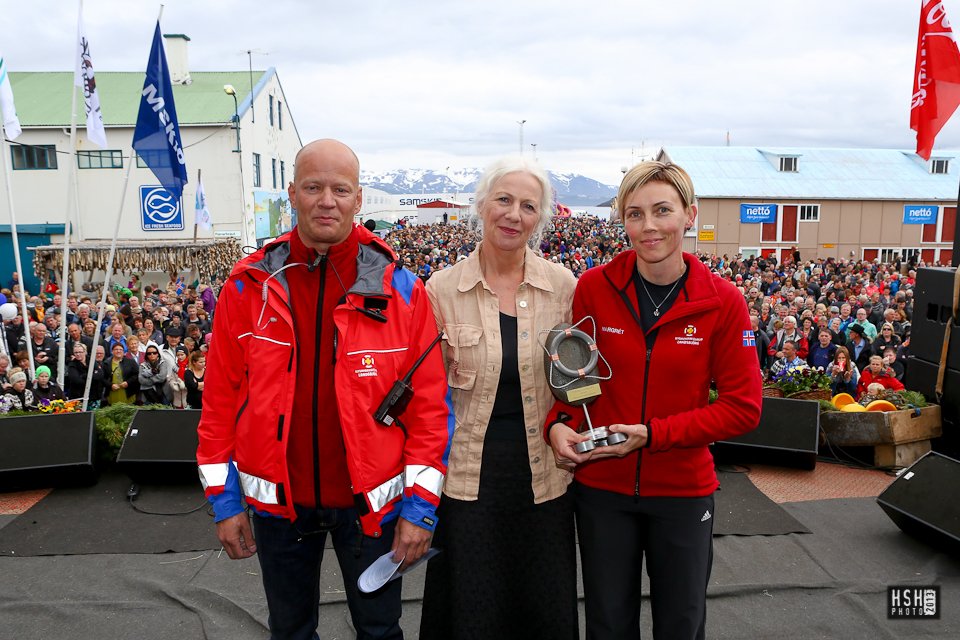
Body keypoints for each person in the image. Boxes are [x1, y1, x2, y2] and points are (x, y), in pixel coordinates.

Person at [196, 139, 451, 640]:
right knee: (289, 630)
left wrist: (420, 510)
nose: (326, 200)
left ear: (359, 199)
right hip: (279, 509)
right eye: (313, 187)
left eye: (340, 189)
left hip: (372, 511)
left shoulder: (400, 290)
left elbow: (429, 411)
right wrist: (225, 504)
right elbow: (219, 404)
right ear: (293, 193)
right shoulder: (248, 285)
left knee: (380, 630)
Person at [545, 161, 762, 639]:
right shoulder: (595, 288)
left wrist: (653, 435)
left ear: (689, 215)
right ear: (621, 220)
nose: (648, 227)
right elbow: (576, 379)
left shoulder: (722, 301)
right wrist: (558, 424)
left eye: (662, 210)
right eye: (634, 214)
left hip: (682, 492)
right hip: (603, 488)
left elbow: (744, 407)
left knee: (681, 625)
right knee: (607, 622)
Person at [419, 158, 579, 639]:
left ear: (540, 218)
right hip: (469, 480)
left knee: (541, 604)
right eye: (504, 200)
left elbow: (580, 384)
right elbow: (428, 398)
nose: (513, 214)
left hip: (544, 475)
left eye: (528, 206)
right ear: (482, 205)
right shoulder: (441, 290)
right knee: (473, 606)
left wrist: (567, 420)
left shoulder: (565, 288)